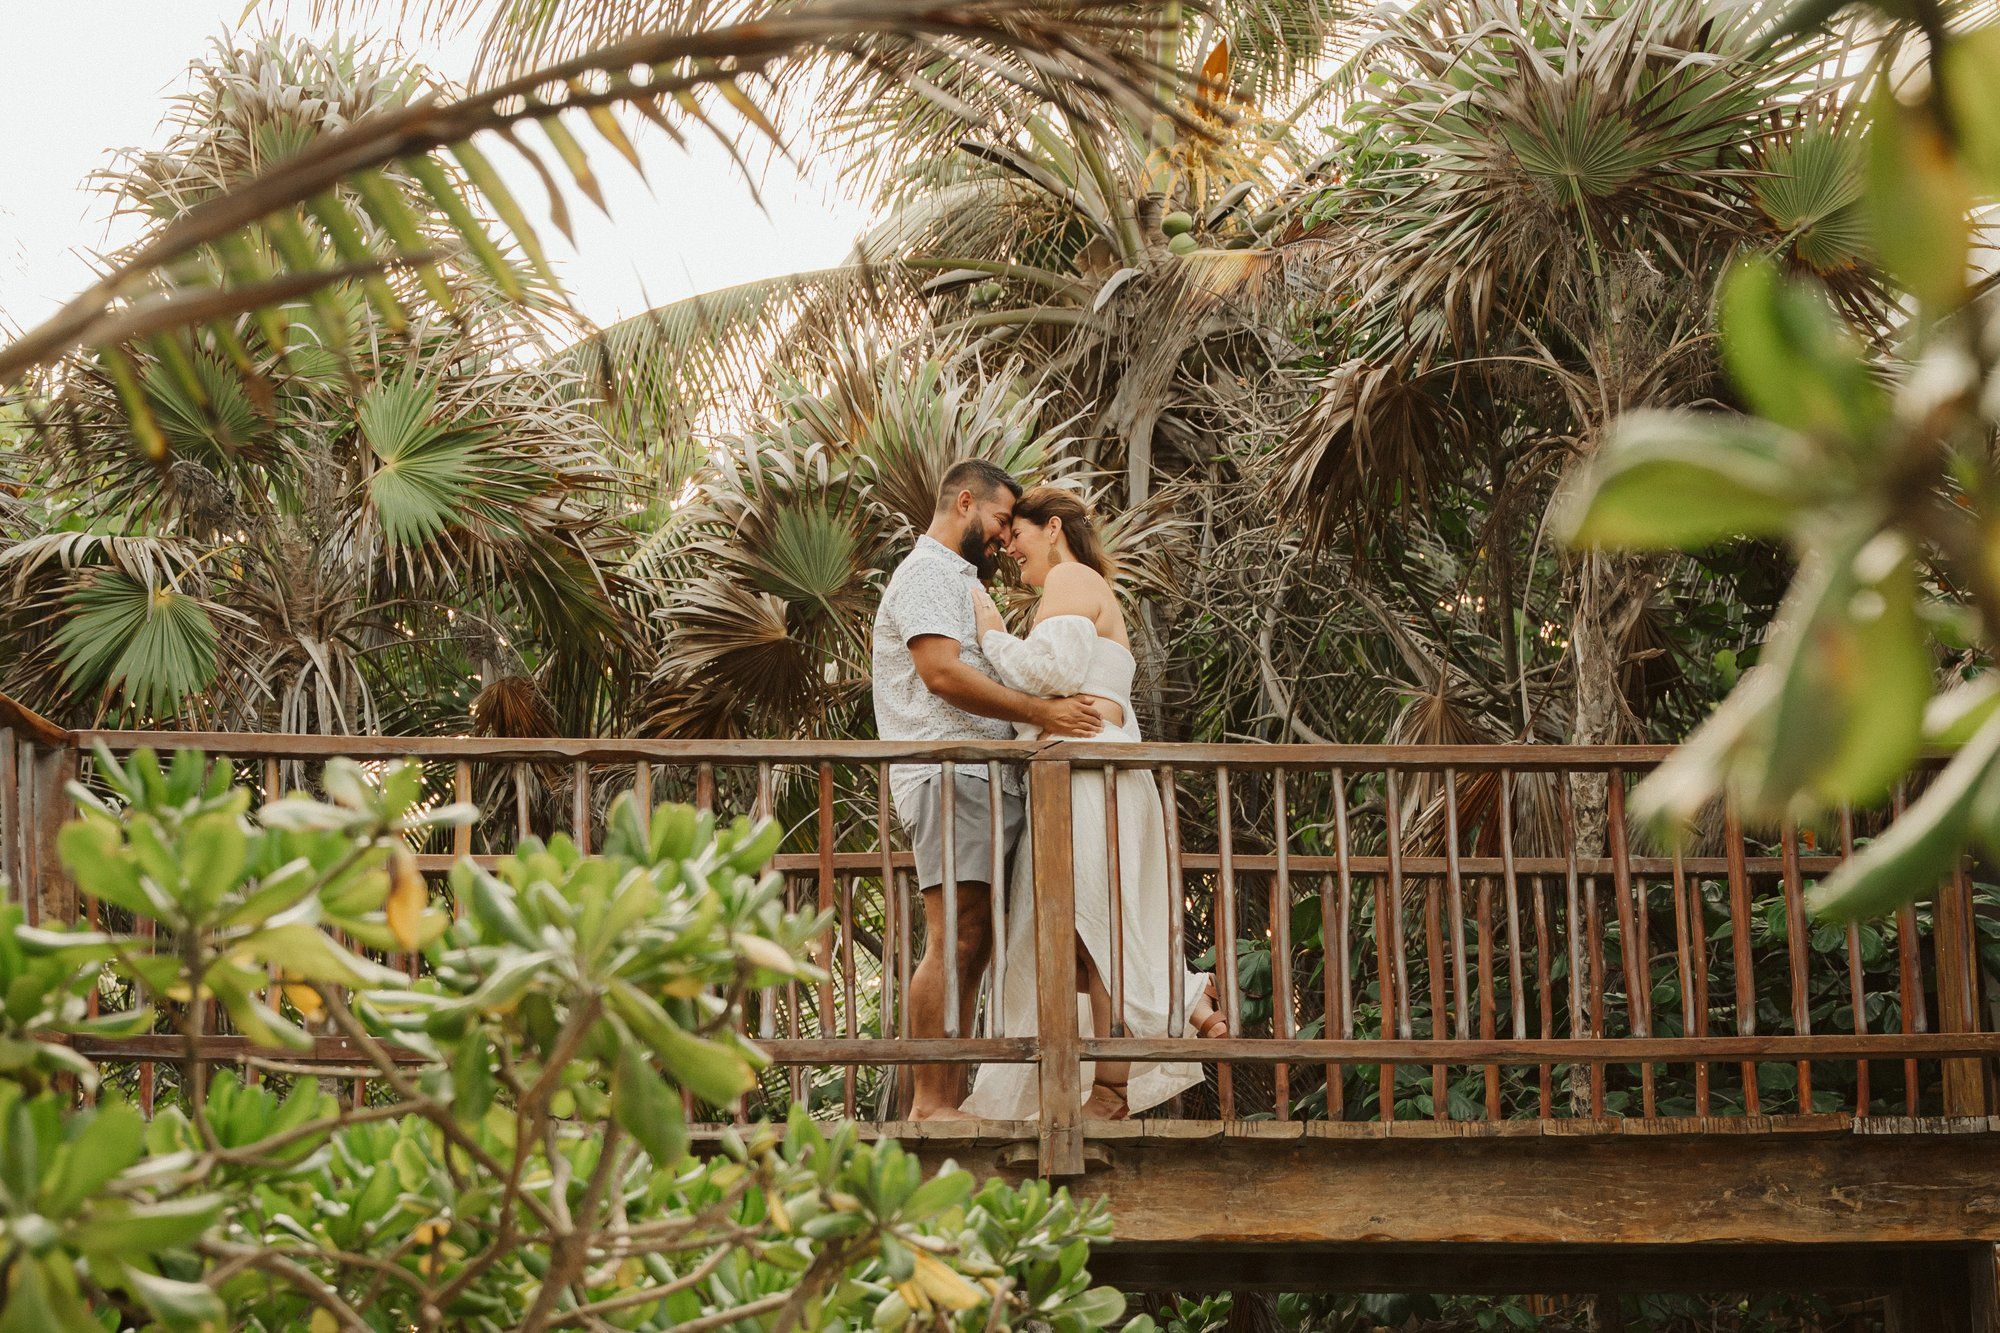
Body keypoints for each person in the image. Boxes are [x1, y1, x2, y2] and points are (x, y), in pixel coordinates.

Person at [959, 485, 1229, 1122]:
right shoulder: (1081, 588)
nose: (1007, 549)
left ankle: (1115, 1083)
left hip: (1089, 779)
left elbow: (1050, 670)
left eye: (1015, 536)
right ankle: (1180, 994)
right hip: (1085, 776)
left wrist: (993, 635)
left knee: (1090, 929)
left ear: (1051, 528)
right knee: (1086, 931)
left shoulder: (1071, 580)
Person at [871, 459, 1105, 1122]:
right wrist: (1044, 715)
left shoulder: (963, 581)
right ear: (965, 502)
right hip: (950, 773)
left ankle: (944, 1098)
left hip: (982, 777)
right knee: (955, 935)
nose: (1006, 537)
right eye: (1002, 520)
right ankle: (931, 1103)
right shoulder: (929, 573)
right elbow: (941, 673)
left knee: (973, 938)